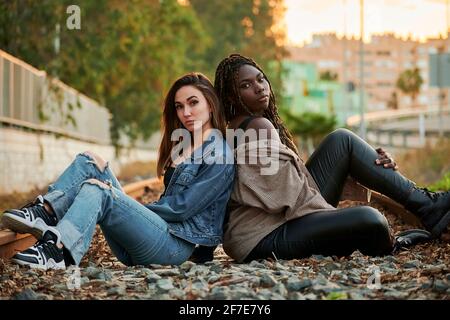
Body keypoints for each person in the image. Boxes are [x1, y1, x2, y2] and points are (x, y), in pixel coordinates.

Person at [211, 53, 449, 263]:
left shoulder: (241, 127)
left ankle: (427, 204)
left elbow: (281, 185)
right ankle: (403, 233)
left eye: (261, 79)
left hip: (274, 222)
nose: (259, 87)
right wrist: (353, 178)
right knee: (371, 219)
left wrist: (368, 166)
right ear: (231, 97)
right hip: (264, 236)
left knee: (341, 141)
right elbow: (284, 196)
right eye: (246, 85)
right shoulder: (258, 126)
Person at [1, 72, 235, 270]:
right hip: (147, 242)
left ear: (210, 104)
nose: (186, 113)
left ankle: (58, 252)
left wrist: (128, 206)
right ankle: (47, 211)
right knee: (90, 162)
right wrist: (126, 207)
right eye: (179, 106)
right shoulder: (186, 144)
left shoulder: (219, 155)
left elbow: (181, 208)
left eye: (193, 103)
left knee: (99, 190)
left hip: (172, 248)